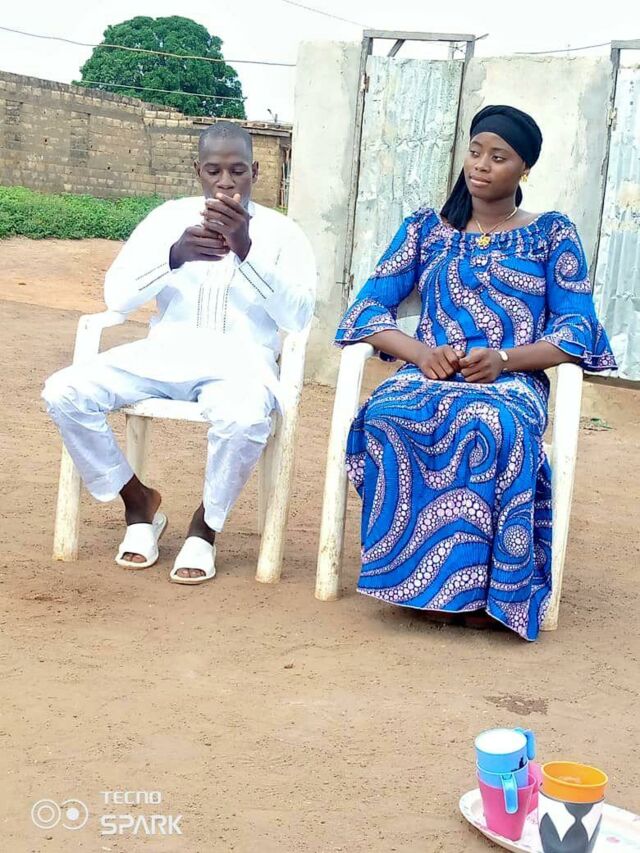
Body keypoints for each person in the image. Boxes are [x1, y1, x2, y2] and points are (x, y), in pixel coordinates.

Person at [335, 105, 616, 640]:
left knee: (488, 422)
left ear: (525, 168)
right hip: (429, 374)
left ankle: (484, 591)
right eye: (475, 152)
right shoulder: (426, 229)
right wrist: (420, 354)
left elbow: (578, 327)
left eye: (499, 157)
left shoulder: (551, 234)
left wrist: (505, 359)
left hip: (511, 382)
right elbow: (366, 310)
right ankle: (411, 579)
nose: (481, 165)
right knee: (389, 413)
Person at [43, 121, 316, 585]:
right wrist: (174, 255)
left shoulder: (283, 232)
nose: (226, 182)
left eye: (238, 171)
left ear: (256, 171)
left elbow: (300, 317)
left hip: (240, 363)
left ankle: (204, 528)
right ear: (197, 170)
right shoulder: (167, 218)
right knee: (64, 391)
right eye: (214, 171)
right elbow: (117, 297)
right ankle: (138, 503)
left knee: (245, 419)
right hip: (165, 353)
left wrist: (246, 251)